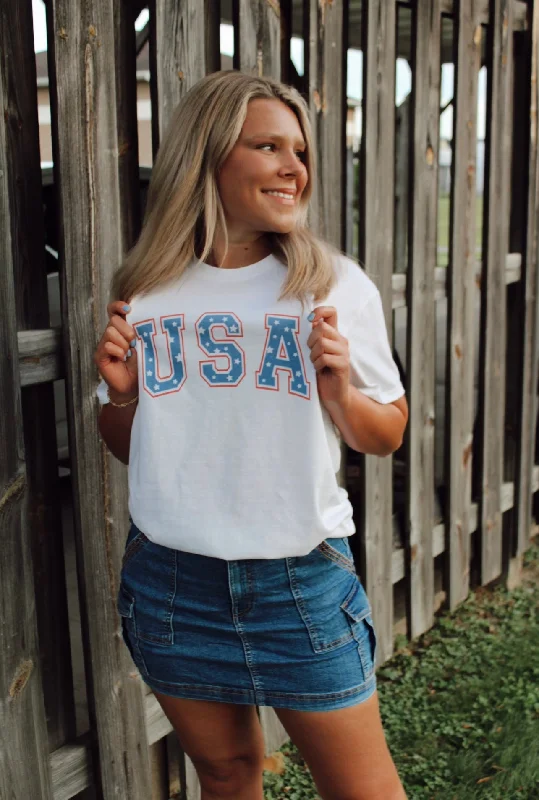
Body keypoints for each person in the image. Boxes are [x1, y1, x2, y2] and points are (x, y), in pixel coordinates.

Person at [94, 70, 409, 800]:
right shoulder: (146, 290)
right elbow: (129, 446)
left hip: (297, 582)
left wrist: (338, 392)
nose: (294, 167)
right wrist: (121, 397)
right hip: (172, 585)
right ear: (207, 158)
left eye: (299, 150)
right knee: (228, 775)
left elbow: (385, 433)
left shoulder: (329, 284)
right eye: (268, 145)